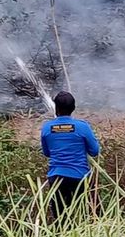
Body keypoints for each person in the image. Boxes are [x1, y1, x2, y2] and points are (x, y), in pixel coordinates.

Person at [40, 91, 100, 221]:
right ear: (73, 108)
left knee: (60, 221)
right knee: (92, 216)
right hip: (80, 178)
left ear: (56, 108)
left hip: (56, 179)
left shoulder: (46, 128)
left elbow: (46, 153)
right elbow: (94, 152)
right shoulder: (82, 127)